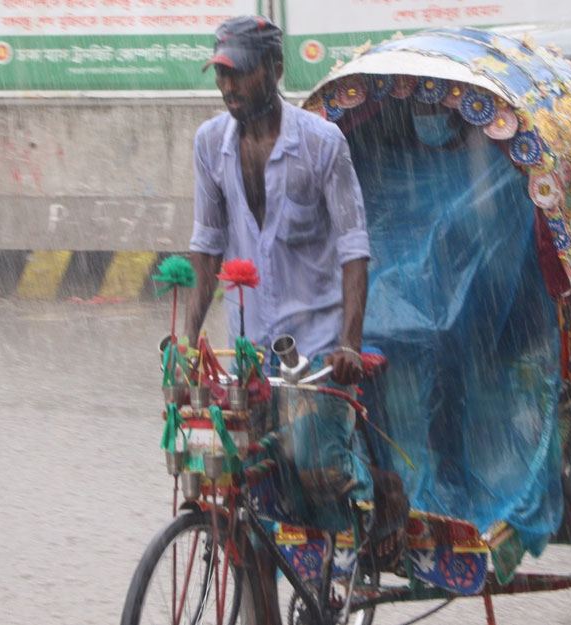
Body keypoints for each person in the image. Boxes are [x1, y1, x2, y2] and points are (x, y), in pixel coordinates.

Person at [182, 14, 406, 624]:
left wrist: (349, 344)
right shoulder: (210, 144)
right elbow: (206, 247)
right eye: (222, 77)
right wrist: (186, 337)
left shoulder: (321, 144)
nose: (229, 90)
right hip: (250, 348)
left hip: (313, 348)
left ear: (274, 71)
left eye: (240, 75)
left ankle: (379, 496)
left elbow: (353, 247)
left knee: (314, 461)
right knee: (236, 487)